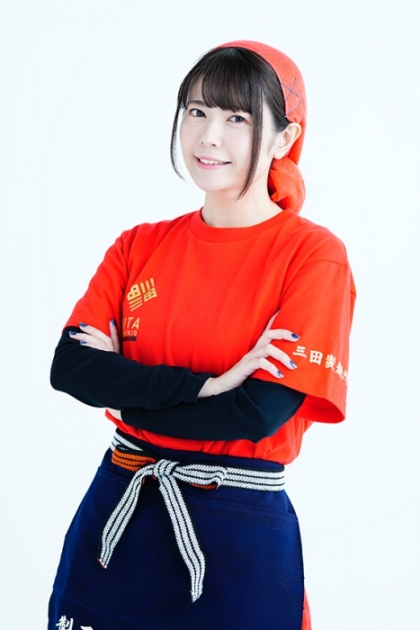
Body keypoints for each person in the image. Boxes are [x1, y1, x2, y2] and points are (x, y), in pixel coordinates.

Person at [48, 40, 356, 630]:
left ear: (285, 139)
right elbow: (70, 368)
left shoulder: (313, 257)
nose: (209, 136)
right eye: (197, 111)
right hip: (117, 510)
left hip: (236, 530)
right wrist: (210, 387)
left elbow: (257, 413)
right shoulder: (138, 246)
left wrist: (127, 395)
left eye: (238, 118)